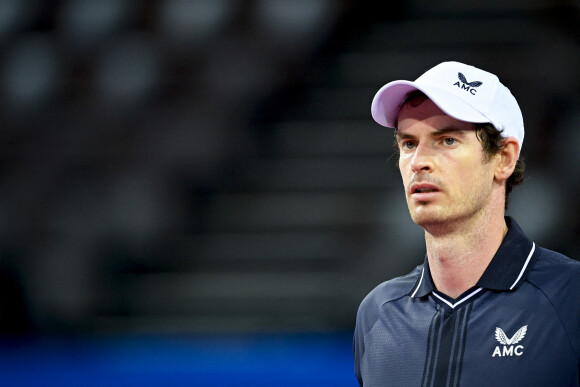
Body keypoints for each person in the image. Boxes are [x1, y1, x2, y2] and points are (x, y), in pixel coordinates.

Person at [353, 61, 580, 386]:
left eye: (447, 140)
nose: (418, 162)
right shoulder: (378, 313)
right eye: (409, 144)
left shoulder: (570, 298)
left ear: (503, 158)